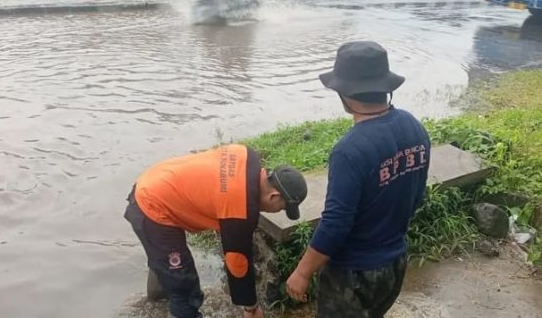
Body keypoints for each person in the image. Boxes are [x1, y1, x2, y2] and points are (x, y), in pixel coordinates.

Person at [285, 41, 431, 317]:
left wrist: (302, 272)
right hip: (395, 264)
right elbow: (416, 195)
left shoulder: (349, 151)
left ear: (344, 93)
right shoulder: (414, 127)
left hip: (354, 276)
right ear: (386, 88)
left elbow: (336, 223)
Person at [125, 144, 307, 318]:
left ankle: (158, 298)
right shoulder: (240, 210)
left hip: (156, 178)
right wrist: (251, 308)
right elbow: (238, 263)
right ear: (273, 196)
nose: (278, 212)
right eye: (282, 208)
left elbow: (219, 190)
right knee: (185, 287)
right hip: (152, 206)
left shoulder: (246, 155)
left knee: (166, 262)